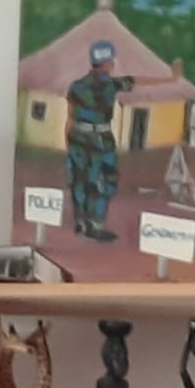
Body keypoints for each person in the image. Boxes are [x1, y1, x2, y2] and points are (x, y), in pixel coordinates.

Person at [67, 40, 133, 242]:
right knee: (103, 179)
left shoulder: (76, 86)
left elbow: (70, 116)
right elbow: (135, 81)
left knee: (79, 179)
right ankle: (95, 226)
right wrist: (172, 78)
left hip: (77, 136)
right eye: (111, 61)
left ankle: (81, 222)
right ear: (107, 63)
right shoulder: (111, 84)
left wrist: (68, 141)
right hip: (100, 138)